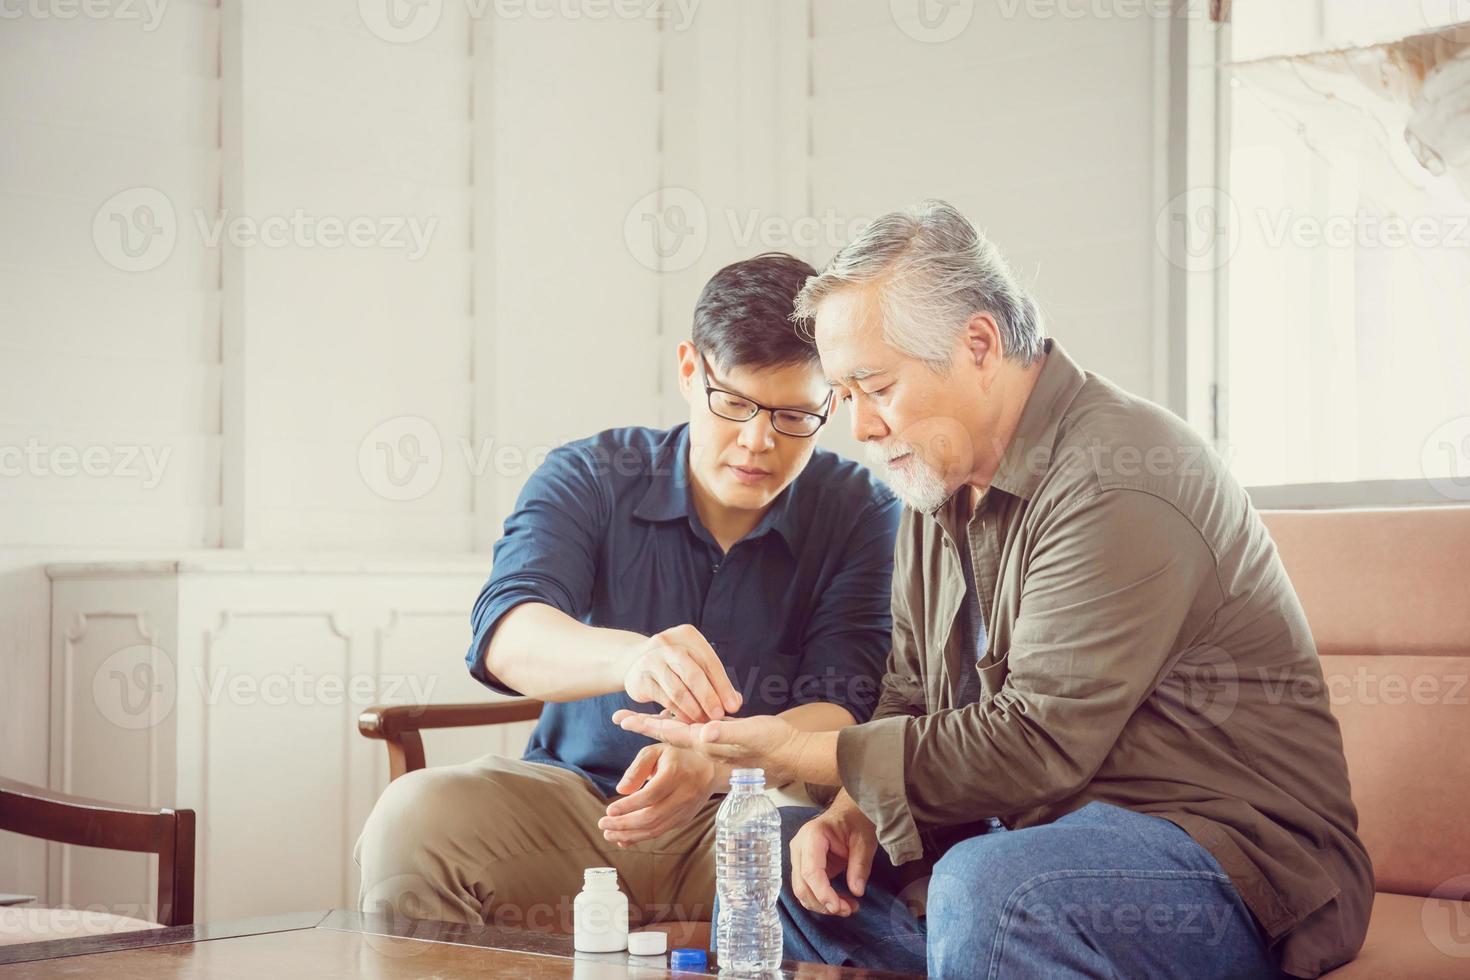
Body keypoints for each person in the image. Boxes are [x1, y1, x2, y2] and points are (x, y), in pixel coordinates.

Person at [618, 203, 1373, 978]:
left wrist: (805, 752)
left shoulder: (1121, 475)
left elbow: (1036, 740)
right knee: (779, 857)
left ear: (977, 344)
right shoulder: (934, 479)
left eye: (874, 386)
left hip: (1224, 865)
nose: (861, 428)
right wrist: (852, 813)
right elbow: (908, 691)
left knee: (996, 893)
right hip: (1025, 848)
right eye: (844, 396)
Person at [354, 252, 900, 934]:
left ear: (832, 402)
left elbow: (847, 708)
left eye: (794, 416)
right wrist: (630, 660)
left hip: (752, 812)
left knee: (820, 856)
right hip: (578, 809)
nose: (758, 442)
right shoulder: (592, 474)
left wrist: (715, 760)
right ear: (688, 370)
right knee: (414, 819)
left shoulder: (861, 511)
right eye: (732, 403)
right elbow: (506, 631)